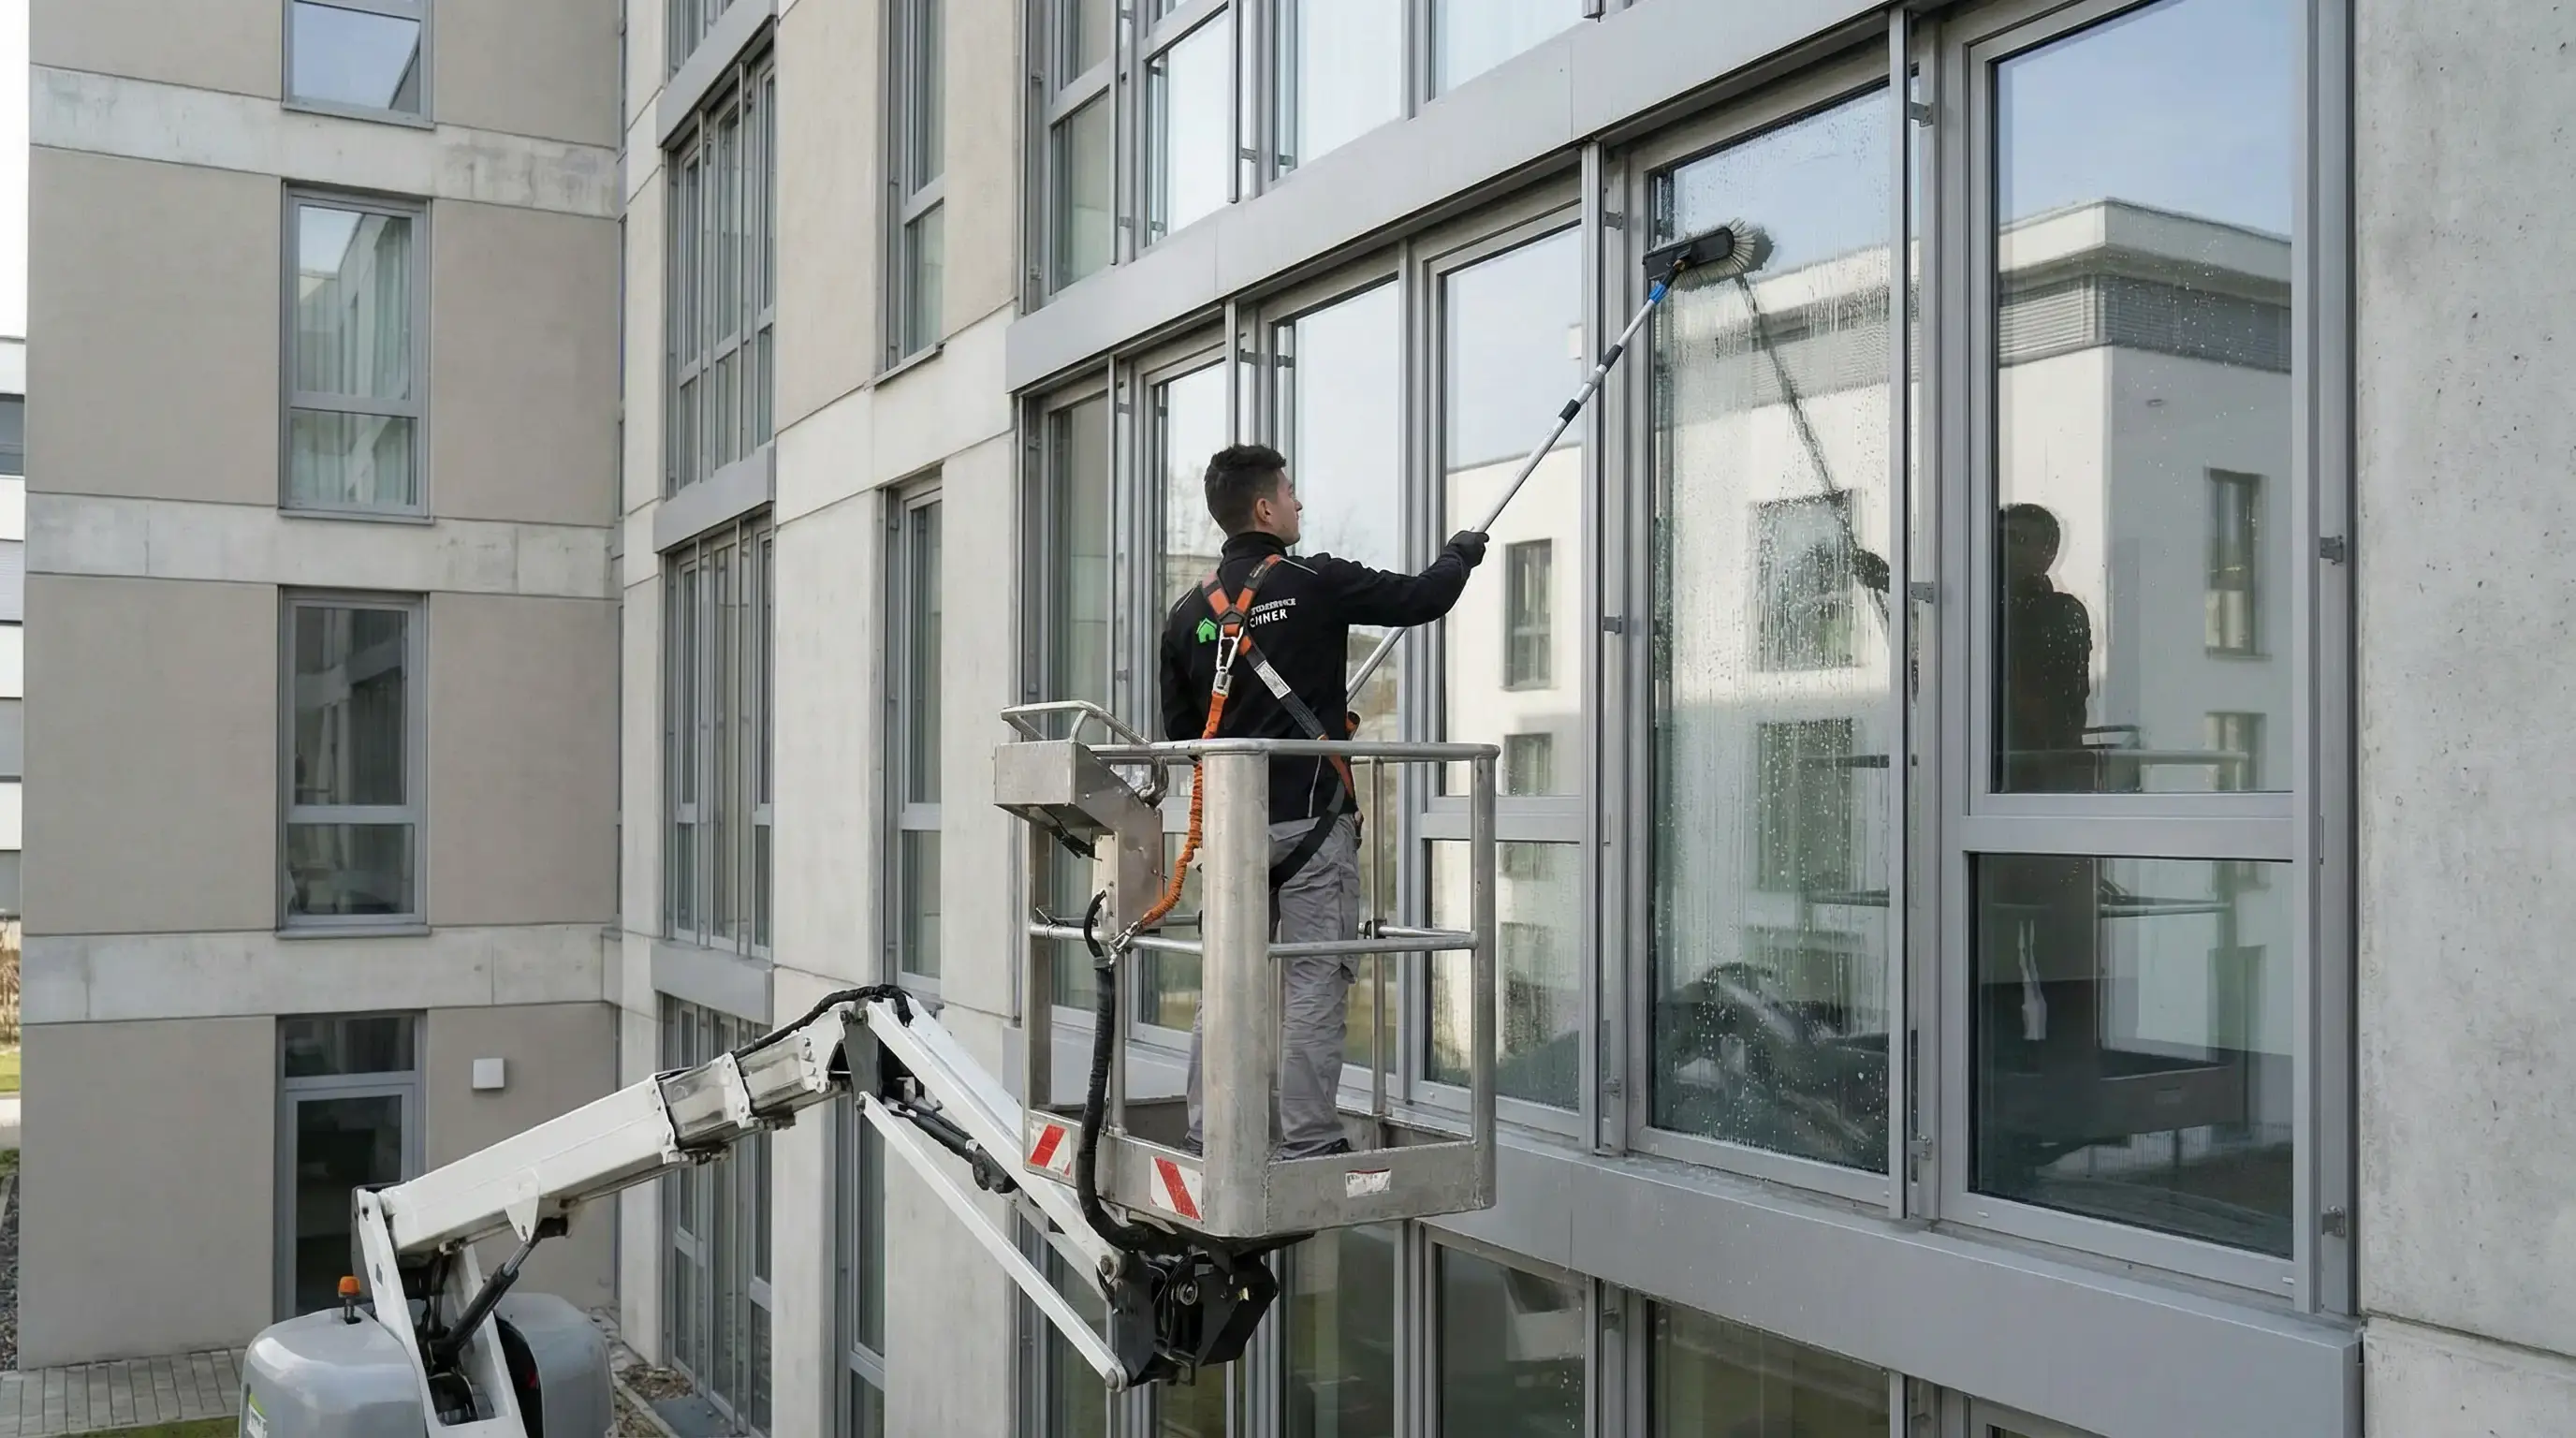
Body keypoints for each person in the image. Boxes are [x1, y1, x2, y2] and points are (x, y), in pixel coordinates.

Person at [1160, 443, 1487, 1159]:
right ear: (1264, 508)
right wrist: (1459, 554)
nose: (1299, 502)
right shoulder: (1315, 581)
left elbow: (1187, 737)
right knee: (1313, 980)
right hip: (1312, 828)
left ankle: (1209, 1135)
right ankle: (1309, 1140)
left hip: (1234, 837)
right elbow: (1422, 598)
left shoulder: (1187, 615)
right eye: (1289, 491)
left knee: (1226, 981)